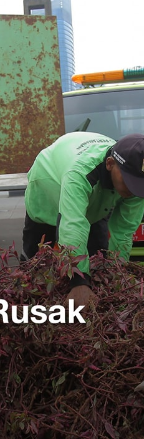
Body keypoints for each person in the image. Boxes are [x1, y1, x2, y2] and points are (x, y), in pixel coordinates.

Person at [22, 131, 144, 307]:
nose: (133, 190)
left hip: (95, 199)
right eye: (129, 181)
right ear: (110, 164)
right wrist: (79, 282)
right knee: (37, 262)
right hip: (48, 184)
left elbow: (124, 230)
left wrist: (117, 273)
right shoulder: (79, 172)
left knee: (98, 257)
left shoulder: (136, 178)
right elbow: (72, 223)